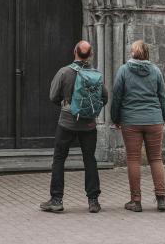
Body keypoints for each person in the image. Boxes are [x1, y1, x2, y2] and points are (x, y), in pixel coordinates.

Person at [40, 40, 108, 214]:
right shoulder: (96, 75)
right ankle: (93, 201)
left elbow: (53, 96)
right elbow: (104, 98)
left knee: (59, 159)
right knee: (89, 159)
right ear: (91, 55)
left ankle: (56, 200)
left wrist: (67, 106)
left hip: (67, 122)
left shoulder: (64, 72)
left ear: (74, 52)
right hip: (89, 124)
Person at [111, 40, 165, 212]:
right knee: (156, 158)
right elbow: (162, 97)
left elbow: (117, 96)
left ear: (133, 53)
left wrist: (115, 118)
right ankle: (161, 199)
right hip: (154, 119)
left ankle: (136, 201)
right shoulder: (155, 70)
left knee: (133, 159)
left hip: (131, 120)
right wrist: (162, 117)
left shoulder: (123, 70)